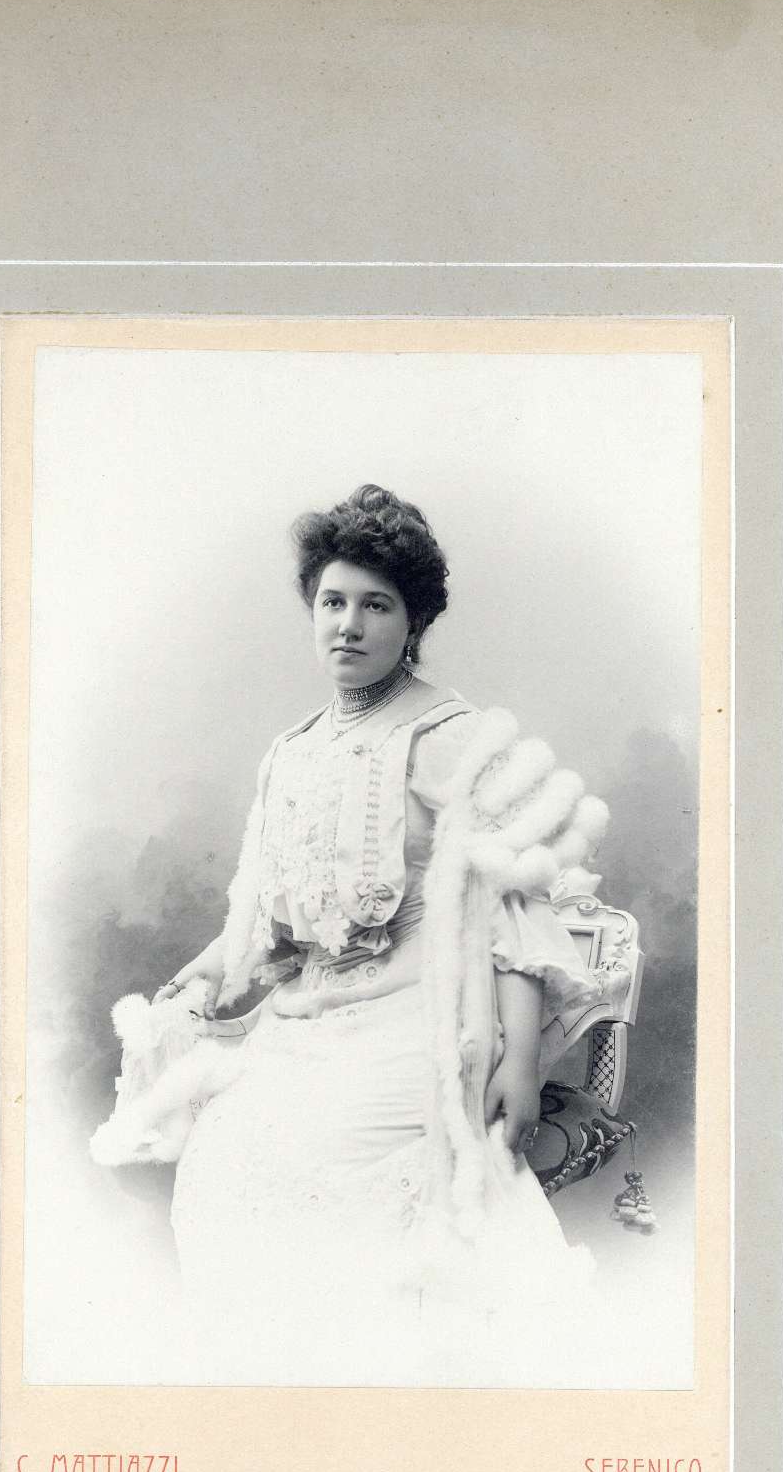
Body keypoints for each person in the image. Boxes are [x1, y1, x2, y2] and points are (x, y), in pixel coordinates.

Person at [92, 485, 612, 1380]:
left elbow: (515, 907)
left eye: (376, 605)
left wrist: (520, 1064)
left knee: (316, 1165)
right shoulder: (292, 751)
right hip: (308, 1019)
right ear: (312, 610)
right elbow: (259, 918)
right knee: (223, 1161)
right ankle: (290, 1383)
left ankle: (371, 1378)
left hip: (420, 1016)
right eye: (332, 601)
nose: (348, 625)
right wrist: (195, 979)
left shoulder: (449, 736)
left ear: (412, 624)